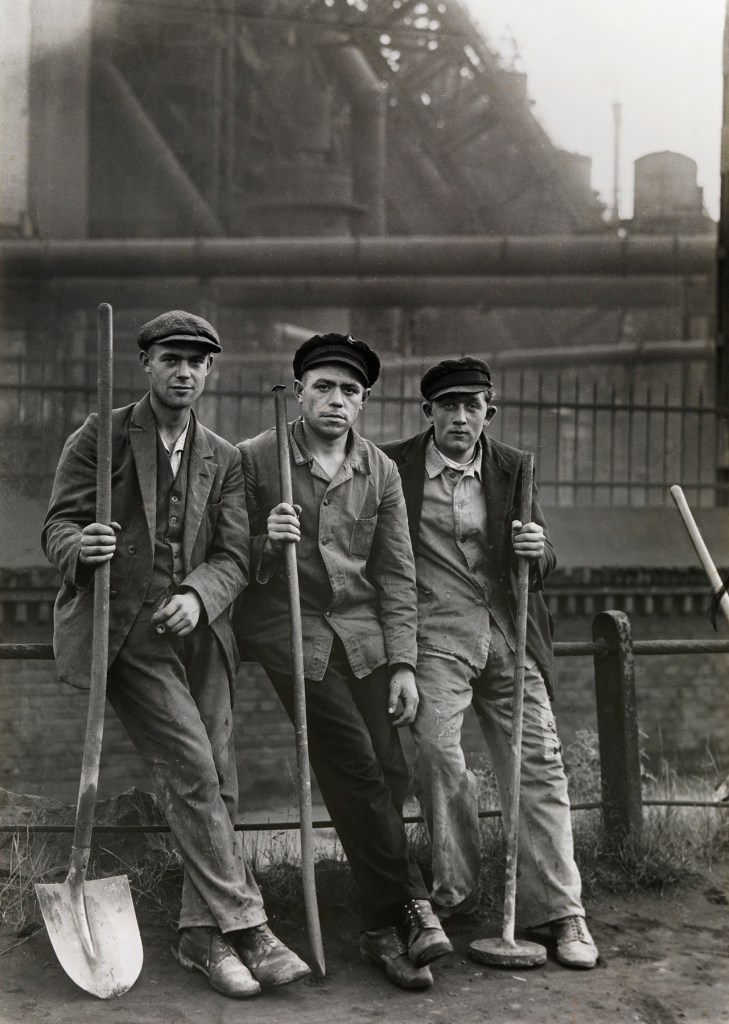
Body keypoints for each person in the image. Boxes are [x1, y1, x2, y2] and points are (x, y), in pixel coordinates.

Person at [42, 310, 310, 999]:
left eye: (197, 361)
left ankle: (200, 937)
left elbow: (231, 553)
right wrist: (81, 547)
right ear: (146, 365)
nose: (184, 371)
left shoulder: (222, 457)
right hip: (124, 627)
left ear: (210, 372)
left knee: (220, 776)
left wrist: (197, 594)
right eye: (171, 359)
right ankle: (249, 926)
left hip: (200, 630)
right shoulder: (98, 439)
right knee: (192, 763)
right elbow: (57, 525)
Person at [233, 332, 453, 991]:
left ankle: (380, 931)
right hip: (290, 628)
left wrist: (405, 665)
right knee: (353, 761)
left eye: (350, 391)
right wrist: (266, 543)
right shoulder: (257, 457)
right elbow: (224, 558)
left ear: (362, 403)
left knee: (390, 771)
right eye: (323, 386)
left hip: (362, 634)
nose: (336, 399)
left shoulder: (379, 471)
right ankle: (413, 904)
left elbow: (396, 575)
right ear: (298, 389)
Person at [381, 356, 599, 970]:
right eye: (447, 405)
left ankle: (559, 911)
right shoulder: (393, 467)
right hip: (435, 636)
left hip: (508, 633)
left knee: (538, 765)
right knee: (432, 748)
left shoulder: (514, 468)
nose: (459, 417)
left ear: (488, 413)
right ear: (428, 413)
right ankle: (457, 892)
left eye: (471, 406)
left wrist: (539, 549)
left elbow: (543, 555)